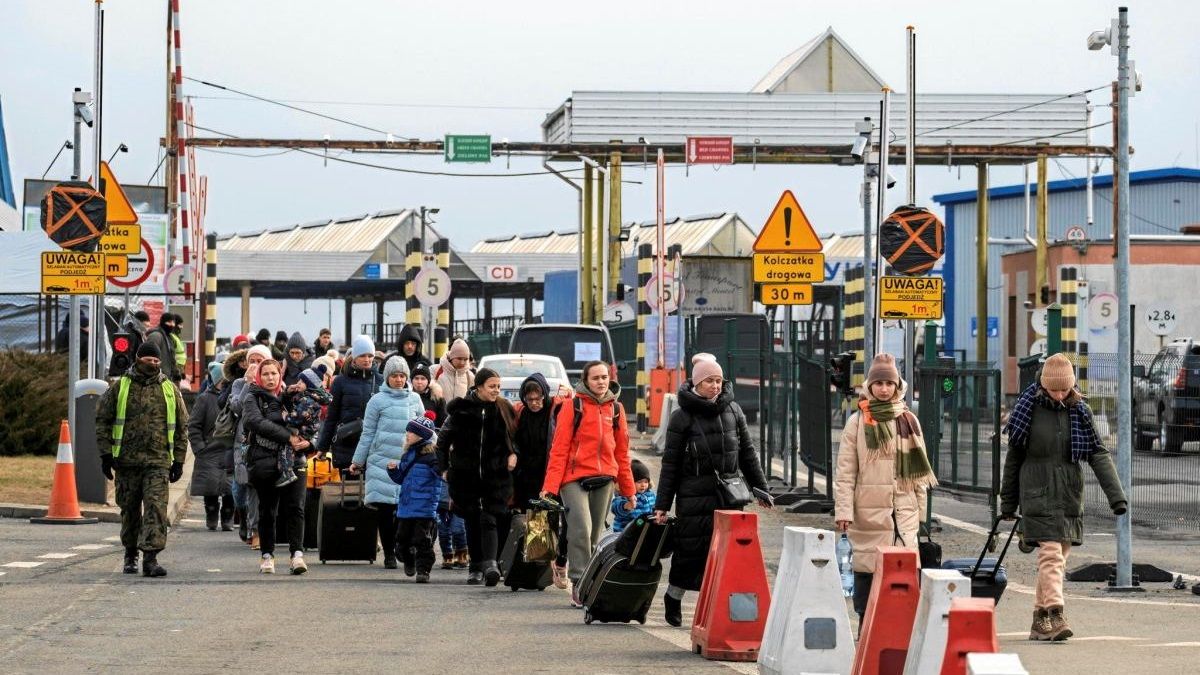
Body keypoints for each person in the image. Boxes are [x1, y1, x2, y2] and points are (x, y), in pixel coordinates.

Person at [1001, 353, 1126, 642]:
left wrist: (1116, 497)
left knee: (1056, 561)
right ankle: (1057, 614)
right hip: (1036, 493)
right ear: (1043, 385)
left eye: (1064, 389)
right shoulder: (1027, 409)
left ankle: (1039, 619)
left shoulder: (1081, 411)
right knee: (1051, 555)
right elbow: (1014, 458)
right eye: (1054, 389)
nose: (1059, 395)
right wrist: (1008, 503)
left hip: (1069, 494)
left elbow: (1098, 453)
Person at [653, 354, 771, 625]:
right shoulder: (681, 417)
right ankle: (673, 597)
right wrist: (662, 505)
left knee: (729, 556)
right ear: (697, 383)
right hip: (693, 496)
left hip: (728, 495)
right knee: (689, 552)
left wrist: (760, 489)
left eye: (718, 380)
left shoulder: (734, 411)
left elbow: (747, 454)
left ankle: (720, 612)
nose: (715, 386)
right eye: (709, 381)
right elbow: (670, 465)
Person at [833, 353, 937, 626]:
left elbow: (919, 476)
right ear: (870, 385)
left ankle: (900, 630)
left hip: (903, 513)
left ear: (897, 385)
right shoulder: (857, 422)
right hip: (868, 512)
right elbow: (846, 472)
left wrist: (921, 515)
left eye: (889, 383)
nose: (884, 389)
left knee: (904, 575)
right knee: (867, 571)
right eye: (878, 383)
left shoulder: (909, 420)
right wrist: (843, 510)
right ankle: (865, 626)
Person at [541, 360, 636, 607]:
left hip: (605, 478)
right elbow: (559, 449)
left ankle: (591, 581)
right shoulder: (573, 406)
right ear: (585, 380)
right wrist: (550, 487)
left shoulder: (616, 409)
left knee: (594, 535)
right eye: (596, 378)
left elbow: (622, 453)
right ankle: (579, 582)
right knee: (580, 529)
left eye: (604, 377)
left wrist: (629, 490)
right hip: (573, 479)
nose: (601, 382)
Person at [95, 342, 189, 577]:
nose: (153, 364)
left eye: (156, 361)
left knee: (156, 508)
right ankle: (130, 554)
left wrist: (179, 461)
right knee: (129, 510)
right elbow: (103, 419)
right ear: (138, 359)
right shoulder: (120, 387)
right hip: (126, 462)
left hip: (158, 462)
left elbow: (181, 427)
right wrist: (105, 455)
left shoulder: (169, 389)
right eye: (148, 360)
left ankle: (150, 558)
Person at [436, 368, 517, 586]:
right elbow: (442, 441)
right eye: (492, 386)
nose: (496, 390)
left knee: (489, 518)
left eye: (498, 386)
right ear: (479, 387)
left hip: (495, 477)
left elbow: (515, 437)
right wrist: (443, 469)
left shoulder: (504, 408)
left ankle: (490, 565)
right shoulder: (461, 410)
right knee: (472, 521)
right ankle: (476, 567)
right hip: (466, 477)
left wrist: (513, 454)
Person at [351, 356, 425, 569]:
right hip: (381, 461)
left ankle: (401, 546)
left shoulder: (415, 399)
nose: (399, 380)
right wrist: (358, 460)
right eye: (394, 376)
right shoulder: (376, 401)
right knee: (384, 511)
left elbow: (426, 431)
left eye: (402, 376)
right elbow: (367, 433)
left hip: (408, 463)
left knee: (404, 511)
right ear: (387, 377)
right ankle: (389, 553)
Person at [242, 359, 311, 575]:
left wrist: (309, 442)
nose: (270, 378)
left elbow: (310, 420)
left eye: (274, 373)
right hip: (264, 460)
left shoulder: (292, 396)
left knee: (296, 508)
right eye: (266, 374)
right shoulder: (252, 397)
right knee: (268, 510)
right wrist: (288, 437)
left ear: (280, 375)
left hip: (295, 460)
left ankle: (297, 555)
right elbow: (255, 422)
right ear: (259, 377)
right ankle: (267, 555)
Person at [512, 372, 569, 588]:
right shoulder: (521, 414)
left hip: (551, 473)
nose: (535, 403)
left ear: (545, 395)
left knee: (553, 519)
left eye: (538, 398)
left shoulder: (555, 411)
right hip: (528, 475)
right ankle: (537, 573)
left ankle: (550, 566)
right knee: (537, 520)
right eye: (530, 400)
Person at [386, 413, 442, 583]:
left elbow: (441, 474)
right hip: (405, 506)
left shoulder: (432, 457)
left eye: (411, 432)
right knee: (401, 539)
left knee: (422, 540)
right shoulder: (408, 455)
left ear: (421, 436)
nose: (407, 435)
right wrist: (393, 471)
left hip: (424, 508)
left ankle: (423, 570)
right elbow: (400, 478)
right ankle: (408, 559)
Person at [230, 344, 274, 549]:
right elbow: (237, 408)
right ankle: (243, 516)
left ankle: (256, 531)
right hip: (244, 441)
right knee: (241, 487)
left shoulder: (273, 381)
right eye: (252, 361)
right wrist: (248, 383)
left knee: (257, 486)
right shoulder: (239, 383)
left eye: (259, 361)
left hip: (267, 440)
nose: (255, 365)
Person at [316, 335, 383, 470]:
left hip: (374, 446)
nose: (367, 359)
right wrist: (323, 447)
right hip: (346, 444)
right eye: (362, 355)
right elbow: (332, 416)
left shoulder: (381, 380)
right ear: (354, 357)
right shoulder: (340, 382)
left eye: (370, 355)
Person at [188, 362, 235, 531]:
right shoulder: (204, 399)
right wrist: (199, 447)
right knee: (210, 488)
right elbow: (194, 425)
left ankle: (228, 516)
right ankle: (212, 513)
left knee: (230, 488)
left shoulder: (234, 397)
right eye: (222, 381)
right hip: (209, 450)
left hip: (229, 450)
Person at [279, 367, 332, 487]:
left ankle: (287, 472)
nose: (298, 384)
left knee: (287, 448)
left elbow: (297, 418)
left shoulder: (307, 400)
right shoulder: (313, 398)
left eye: (301, 382)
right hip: (309, 431)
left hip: (303, 431)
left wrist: (286, 416)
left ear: (309, 384)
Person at [611, 459, 656, 533]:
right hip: (624, 532)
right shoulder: (624, 496)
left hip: (643, 531)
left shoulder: (650, 495)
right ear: (630, 483)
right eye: (639, 482)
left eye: (646, 482)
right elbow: (615, 508)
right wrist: (625, 506)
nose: (643, 485)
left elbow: (655, 508)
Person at [436, 338, 475, 403]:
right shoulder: (435, 371)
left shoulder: (469, 376)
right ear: (451, 357)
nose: (462, 362)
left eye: (465, 359)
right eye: (459, 359)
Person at [145, 313, 179, 383]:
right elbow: (150, 357)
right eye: (169, 322)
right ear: (163, 322)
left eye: (173, 322)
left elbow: (172, 358)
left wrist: (176, 372)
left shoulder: (169, 337)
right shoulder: (156, 336)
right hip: (157, 378)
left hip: (167, 377)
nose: (172, 325)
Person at [167, 313, 187, 383]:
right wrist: (176, 370)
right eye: (180, 324)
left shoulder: (176, 336)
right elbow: (171, 354)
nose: (182, 327)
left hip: (180, 367)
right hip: (176, 367)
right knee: (175, 386)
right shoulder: (172, 337)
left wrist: (182, 371)